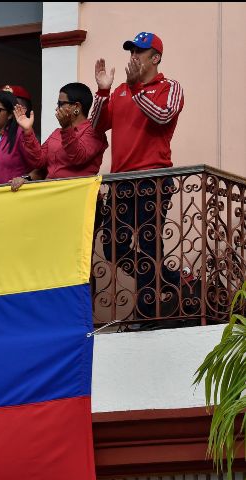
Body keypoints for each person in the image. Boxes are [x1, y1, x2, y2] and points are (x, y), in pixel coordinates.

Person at [91, 31, 189, 319]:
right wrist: (102, 92)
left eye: (140, 51)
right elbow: (96, 126)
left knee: (148, 243)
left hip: (153, 180)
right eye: (131, 51)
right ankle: (174, 281)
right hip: (121, 182)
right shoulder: (120, 91)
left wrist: (135, 90)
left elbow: (162, 116)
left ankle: (148, 312)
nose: (133, 56)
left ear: (155, 57)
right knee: (111, 246)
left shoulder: (170, 86)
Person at [9, 82, 107, 191]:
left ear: (76, 107)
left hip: (79, 195)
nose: (57, 108)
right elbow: (39, 161)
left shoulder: (94, 131)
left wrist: (66, 129)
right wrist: (28, 131)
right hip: (52, 194)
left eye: (61, 103)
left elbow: (78, 157)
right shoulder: (57, 132)